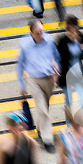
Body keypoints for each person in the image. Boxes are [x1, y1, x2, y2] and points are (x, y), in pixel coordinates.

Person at [17, 20, 61, 153]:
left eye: (42, 31)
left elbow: (57, 57)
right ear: (31, 33)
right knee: (42, 109)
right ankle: (47, 140)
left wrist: (57, 71)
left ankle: (40, 128)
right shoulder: (25, 45)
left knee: (44, 107)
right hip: (33, 80)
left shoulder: (49, 40)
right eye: (37, 33)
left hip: (48, 79)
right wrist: (21, 84)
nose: (41, 35)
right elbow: (19, 64)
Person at [56, 14, 83, 122]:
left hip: (79, 74)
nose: (71, 31)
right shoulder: (62, 40)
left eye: (74, 28)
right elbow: (58, 56)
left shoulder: (82, 38)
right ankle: (69, 125)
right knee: (68, 102)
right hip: (66, 76)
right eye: (69, 29)